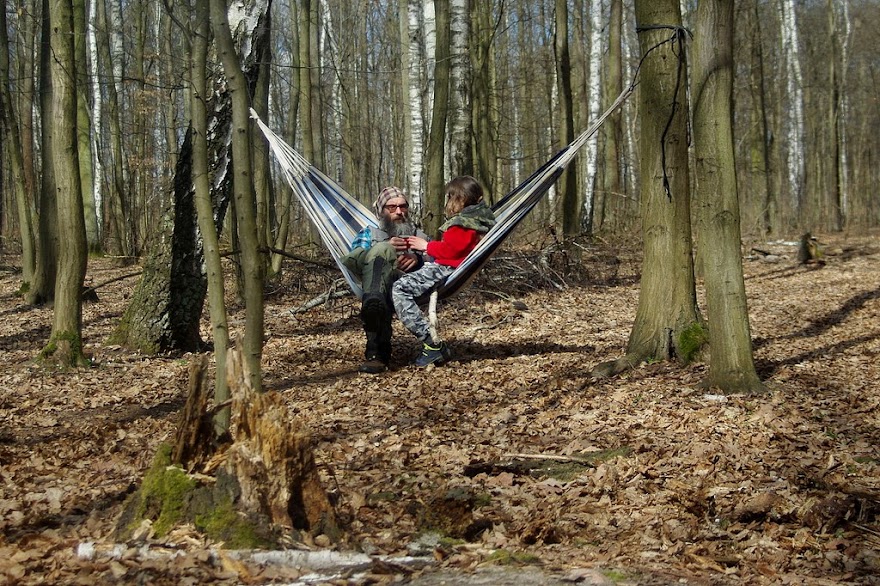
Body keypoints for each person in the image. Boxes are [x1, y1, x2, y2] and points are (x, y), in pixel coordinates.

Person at [391, 176, 496, 367]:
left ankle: (431, 343)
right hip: (448, 268)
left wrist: (426, 246)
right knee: (400, 281)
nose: (447, 202)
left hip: (444, 268)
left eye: (450, 197)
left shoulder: (463, 224)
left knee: (400, 289)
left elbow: (451, 250)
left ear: (460, 198)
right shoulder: (478, 218)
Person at [341, 186, 429, 374]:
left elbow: (439, 262)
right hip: (376, 281)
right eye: (392, 207)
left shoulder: (418, 236)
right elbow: (353, 261)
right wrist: (383, 248)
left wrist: (418, 258)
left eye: (403, 206)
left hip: (407, 283)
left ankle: (376, 354)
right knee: (381, 258)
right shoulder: (368, 233)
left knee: (375, 298)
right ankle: (376, 351)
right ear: (381, 211)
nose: (399, 212)